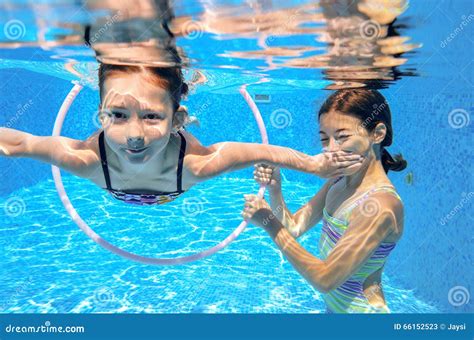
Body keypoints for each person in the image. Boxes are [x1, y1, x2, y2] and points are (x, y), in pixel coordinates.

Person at [0, 64, 364, 206]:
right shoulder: (86, 158)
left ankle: (181, 103)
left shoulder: (194, 165)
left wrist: (315, 165)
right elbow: (19, 144)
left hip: (170, 178)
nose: (134, 136)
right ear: (100, 115)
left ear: (174, 120)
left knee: (181, 136)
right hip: (136, 180)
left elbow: (259, 151)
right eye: (118, 115)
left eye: (152, 116)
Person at [242, 89, 406, 313]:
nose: (330, 150)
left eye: (342, 137)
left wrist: (270, 224)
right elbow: (294, 227)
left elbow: (325, 279)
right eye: (324, 139)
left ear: (377, 134)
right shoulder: (337, 182)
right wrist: (275, 190)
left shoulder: (380, 205)